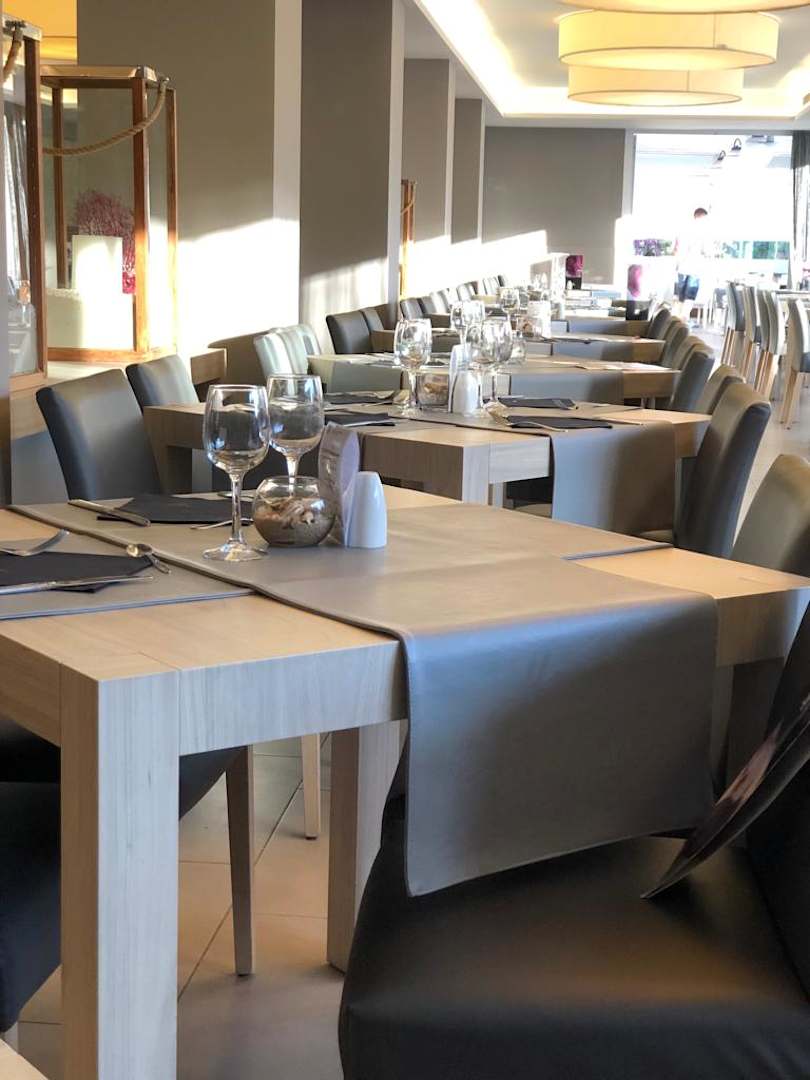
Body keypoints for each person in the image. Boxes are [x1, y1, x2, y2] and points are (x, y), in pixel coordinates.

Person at [674, 207, 712, 318]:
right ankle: (683, 319)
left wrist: (677, 263)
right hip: (694, 267)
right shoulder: (703, 232)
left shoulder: (684, 229)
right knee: (690, 295)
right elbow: (707, 250)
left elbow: (677, 248)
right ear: (701, 217)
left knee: (680, 296)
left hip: (682, 266)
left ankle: (676, 320)